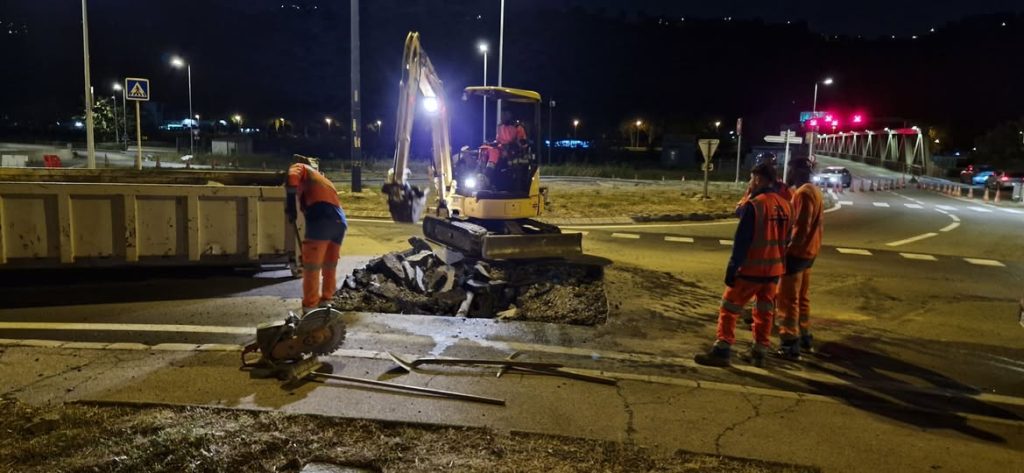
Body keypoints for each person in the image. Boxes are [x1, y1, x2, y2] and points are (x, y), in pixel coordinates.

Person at [695, 162, 793, 368]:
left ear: (758, 179)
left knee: (729, 307)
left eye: (751, 178)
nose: (750, 182)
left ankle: (722, 350)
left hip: (751, 268)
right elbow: (787, 239)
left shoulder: (755, 205)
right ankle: (759, 352)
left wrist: (732, 268)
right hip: (774, 270)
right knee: (765, 310)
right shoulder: (786, 205)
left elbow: (742, 241)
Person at [286, 155, 348, 314]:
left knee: (311, 267)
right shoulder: (324, 180)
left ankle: (310, 308)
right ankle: (327, 301)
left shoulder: (302, 168)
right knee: (329, 265)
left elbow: (292, 175)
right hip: (339, 222)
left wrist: (290, 202)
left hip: (321, 219)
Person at [776, 158, 824, 359]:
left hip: (797, 254)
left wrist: (788, 250)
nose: (787, 174)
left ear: (796, 171)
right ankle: (805, 336)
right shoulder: (815, 191)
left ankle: (789, 343)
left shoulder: (803, 193)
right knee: (802, 297)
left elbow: (801, 227)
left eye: (789, 169)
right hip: (810, 252)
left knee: (788, 299)